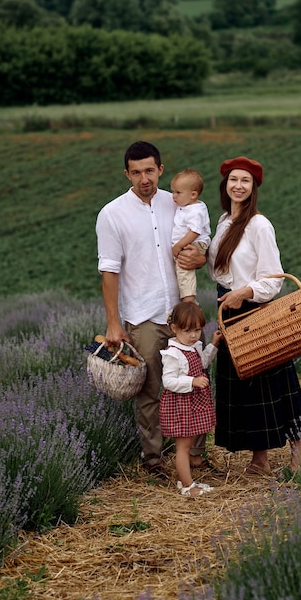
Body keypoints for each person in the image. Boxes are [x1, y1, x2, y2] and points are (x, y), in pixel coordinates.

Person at [95, 141, 208, 477]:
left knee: (196, 381)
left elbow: (200, 241)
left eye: (149, 170)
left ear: (160, 169)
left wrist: (201, 257)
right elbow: (109, 271)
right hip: (143, 315)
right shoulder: (112, 213)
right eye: (136, 172)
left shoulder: (178, 203)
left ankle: (195, 457)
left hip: (183, 315)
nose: (143, 178)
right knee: (150, 390)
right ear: (126, 173)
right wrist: (114, 323)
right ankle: (153, 460)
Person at [208, 156, 301, 474]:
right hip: (229, 311)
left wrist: (244, 292)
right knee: (247, 390)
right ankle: (259, 460)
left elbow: (273, 278)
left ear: (254, 188)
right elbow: (219, 270)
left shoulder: (259, 226)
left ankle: (299, 458)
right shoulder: (224, 221)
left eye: (245, 181)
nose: (238, 185)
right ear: (225, 184)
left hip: (255, 312)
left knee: (277, 387)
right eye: (233, 179)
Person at [159, 302, 222, 496]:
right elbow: (168, 381)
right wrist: (192, 381)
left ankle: (186, 481)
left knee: (188, 443)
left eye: (197, 329)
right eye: (187, 330)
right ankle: (187, 486)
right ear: (174, 328)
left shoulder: (193, 346)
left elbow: (202, 362)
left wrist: (213, 344)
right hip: (181, 405)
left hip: (193, 403)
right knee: (183, 447)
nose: (193, 335)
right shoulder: (172, 353)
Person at [170, 169, 211, 303]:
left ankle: (189, 300)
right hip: (189, 243)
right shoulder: (186, 206)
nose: (174, 196)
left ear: (193, 194)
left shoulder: (195, 211)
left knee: (184, 268)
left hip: (194, 243)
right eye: (173, 192)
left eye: (178, 193)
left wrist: (179, 245)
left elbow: (195, 231)